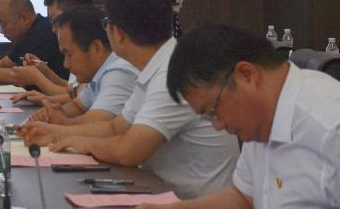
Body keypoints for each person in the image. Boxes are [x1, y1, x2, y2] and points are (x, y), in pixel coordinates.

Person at [21, 0, 238, 200]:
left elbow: (128, 151)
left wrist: (80, 142)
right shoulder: (156, 66)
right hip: (163, 193)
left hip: (190, 202)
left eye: (106, 23)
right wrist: (55, 133)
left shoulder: (170, 73)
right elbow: (116, 127)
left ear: (118, 32)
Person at [136, 23, 340, 209]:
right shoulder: (259, 118)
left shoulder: (330, 129)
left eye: (213, 112)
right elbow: (244, 197)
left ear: (246, 75)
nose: (217, 126)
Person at [23, 7, 137, 125]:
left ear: (96, 48)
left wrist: (55, 123)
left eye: (69, 55)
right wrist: (47, 115)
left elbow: (96, 124)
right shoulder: (99, 72)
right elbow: (77, 106)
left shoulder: (119, 72)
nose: (66, 65)